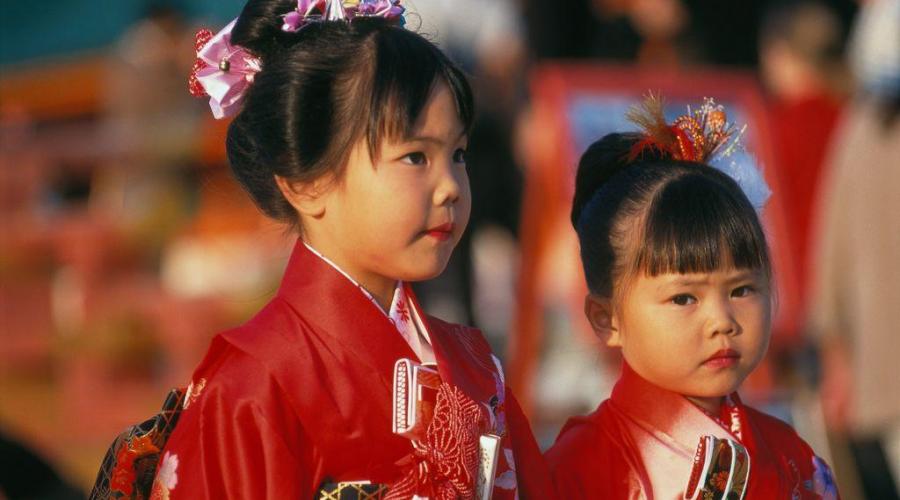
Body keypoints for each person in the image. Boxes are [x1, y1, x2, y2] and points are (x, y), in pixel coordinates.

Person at [92, 1, 551, 498]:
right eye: (415, 156)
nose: (450, 188)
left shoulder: (475, 366)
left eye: (457, 154)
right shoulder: (254, 388)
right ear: (306, 182)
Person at [544, 96, 840, 498]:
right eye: (684, 298)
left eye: (741, 290)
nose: (722, 321)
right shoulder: (581, 466)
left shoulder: (791, 455)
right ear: (606, 318)